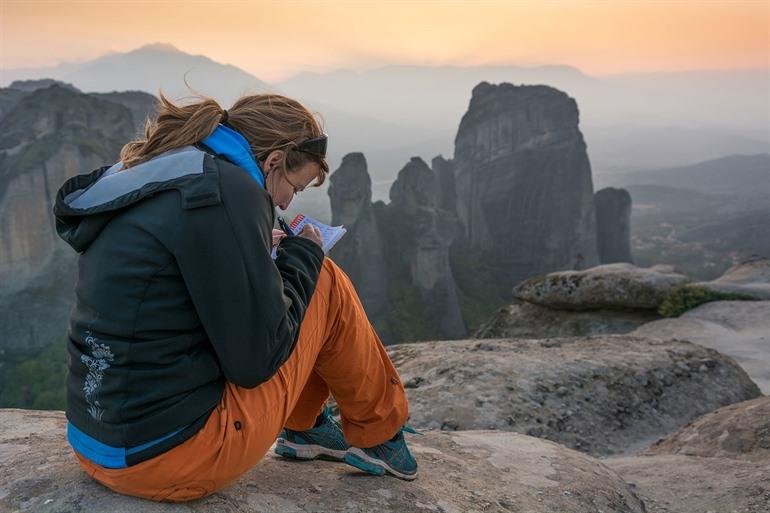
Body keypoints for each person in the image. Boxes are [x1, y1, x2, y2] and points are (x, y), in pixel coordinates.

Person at [53, 92, 418, 502]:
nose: (286, 202)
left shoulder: (168, 170)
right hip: (171, 458)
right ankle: (379, 433)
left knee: (298, 277)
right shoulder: (229, 192)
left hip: (98, 444)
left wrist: (257, 254)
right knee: (324, 280)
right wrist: (305, 253)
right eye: (292, 187)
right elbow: (256, 361)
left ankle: (309, 430)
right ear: (273, 160)